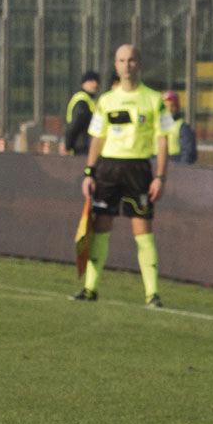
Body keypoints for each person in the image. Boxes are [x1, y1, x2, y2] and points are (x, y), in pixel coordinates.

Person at [75, 43, 169, 307]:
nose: (127, 65)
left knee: (142, 230)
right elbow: (97, 138)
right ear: (115, 66)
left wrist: (160, 177)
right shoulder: (106, 101)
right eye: (121, 60)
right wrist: (89, 173)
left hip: (138, 170)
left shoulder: (154, 100)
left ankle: (152, 294)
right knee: (101, 226)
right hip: (108, 169)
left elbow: (162, 140)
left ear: (139, 64)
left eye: (131, 60)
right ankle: (90, 288)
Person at [63, 69, 102, 155]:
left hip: (85, 147)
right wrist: (68, 146)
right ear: (84, 83)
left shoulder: (90, 100)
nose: (95, 84)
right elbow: (74, 125)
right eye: (91, 81)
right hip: (81, 149)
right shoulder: (82, 101)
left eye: (97, 81)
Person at [163, 88, 198, 164]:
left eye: (172, 106)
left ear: (177, 107)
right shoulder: (157, 125)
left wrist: (182, 168)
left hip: (174, 165)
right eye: (166, 106)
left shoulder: (183, 127)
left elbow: (188, 153)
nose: (169, 109)